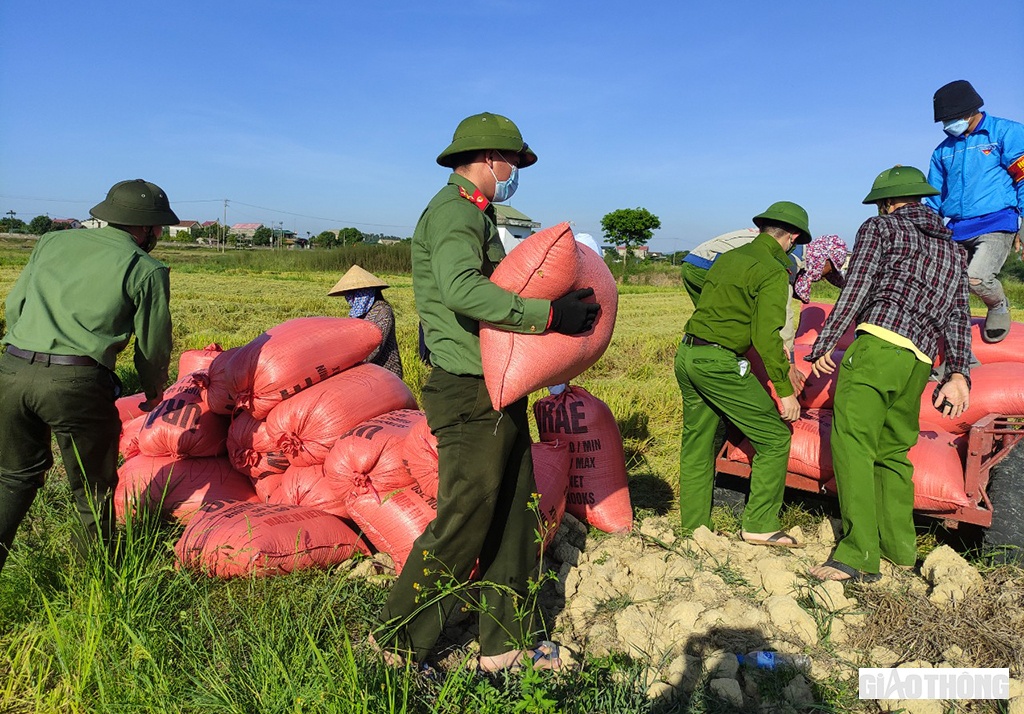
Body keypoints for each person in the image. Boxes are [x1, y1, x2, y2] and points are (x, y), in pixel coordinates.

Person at [373, 112, 599, 673]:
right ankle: (398, 643)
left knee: (516, 515)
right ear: (491, 159)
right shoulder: (454, 211)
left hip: (496, 389)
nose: (516, 172)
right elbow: (461, 288)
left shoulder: (479, 212)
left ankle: (505, 644)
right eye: (514, 163)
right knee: (468, 515)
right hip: (469, 390)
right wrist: (549, 316)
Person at [0, 179, 176, 573]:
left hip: (11, 370)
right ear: (146, 227)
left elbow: (15, 305)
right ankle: (95, 585)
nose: (161, 234)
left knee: (12, 478)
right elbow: (153, 346)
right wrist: (153, 392)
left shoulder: (51, 242)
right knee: (92, 489)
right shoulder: (145, 268)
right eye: (159, 227)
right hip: (75, 383)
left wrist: (23, 349)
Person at [807, 166, 971, 583]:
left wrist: (826, 340)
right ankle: (899, 549)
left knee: (853, 445)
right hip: (918, 363)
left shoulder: (881, 228)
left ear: (888, 202)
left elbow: (858, 286)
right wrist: (958, 374)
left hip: (878, 346)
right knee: (894, 453)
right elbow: (956, 316)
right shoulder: (953, 251)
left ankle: (857, 555)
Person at [675, 201, 810, 547]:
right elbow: (767, 336)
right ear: (792, 238)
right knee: (775, 438)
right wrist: (785, 390)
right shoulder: (773, 270)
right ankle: (761, 523)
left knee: (697, 444)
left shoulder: (729, 258)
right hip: (719, 364)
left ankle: (694, 528)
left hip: (688, 355)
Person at [682, 230, 851, 393]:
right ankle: (726, 375)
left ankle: (711, 370)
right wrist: (790, 364)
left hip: (697, 262)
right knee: (733, 327)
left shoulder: (794, 249)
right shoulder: (789, 258)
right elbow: (781, 314)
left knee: (720, 328)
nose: (823, 278)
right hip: (706, 266)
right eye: (830, 271)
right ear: (824, 259)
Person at [925, 80, 1024, 343]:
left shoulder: (1006, 133)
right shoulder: (943, 151)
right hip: (956, 226)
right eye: (943, 122)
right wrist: (926, 226)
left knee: (976, 277)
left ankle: (998, 305)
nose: (948, 126)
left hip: (997, 220)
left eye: (951, 119)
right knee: (946, 287)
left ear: (971, 111)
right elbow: (934, 195)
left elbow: (1023, 178)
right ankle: (957, 349)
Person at [327, 264, 404, 378]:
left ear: (366, 292)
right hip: (365, 373)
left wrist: (348, 364)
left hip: (386, 372)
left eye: (354, 293)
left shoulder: (382, 311)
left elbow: (375, 347)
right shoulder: (357, 315)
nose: (350, 297)